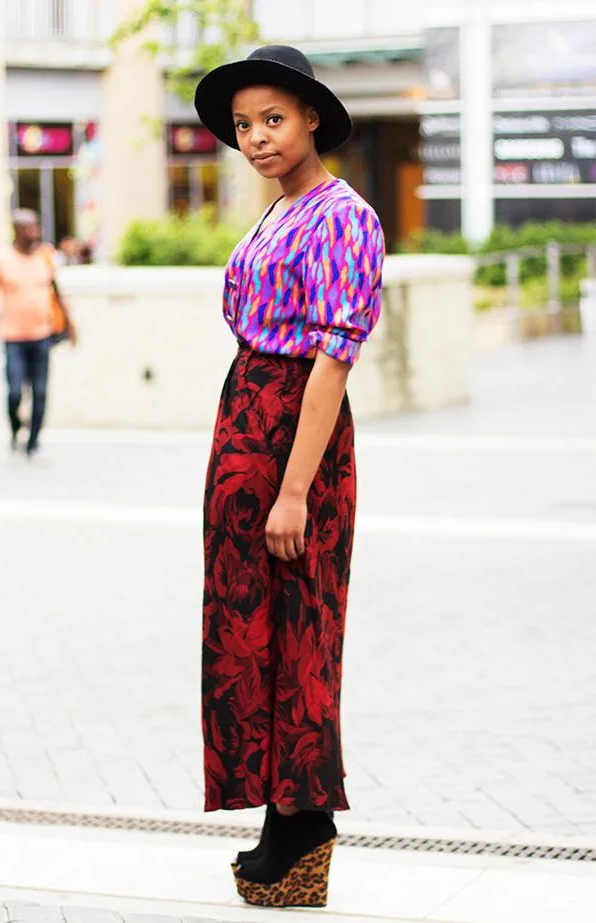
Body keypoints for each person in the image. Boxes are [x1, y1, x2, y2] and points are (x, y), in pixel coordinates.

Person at [195, 45, 385, 908]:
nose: (257, 138)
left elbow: (333, 358)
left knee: (302, 621)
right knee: (246, 628)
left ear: (312, 117)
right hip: (247, 416)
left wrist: (294, 487)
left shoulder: (343, 216)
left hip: (292, 430)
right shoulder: (278, 211)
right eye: (243, 125)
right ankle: (282, 811)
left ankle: (303, 818)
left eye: (273, 118)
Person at [0, 209, 77, 456]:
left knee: (40, 391)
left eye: (36, 226)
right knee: (14, 391)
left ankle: (33, 441)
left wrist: (70, 323)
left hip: (41, 336)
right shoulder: (0, 260)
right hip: (12, 338)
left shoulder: (45, 258)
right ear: (17, 230)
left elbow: (57, 292)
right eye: (30, 227)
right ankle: (15, 428)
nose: (36, 231)